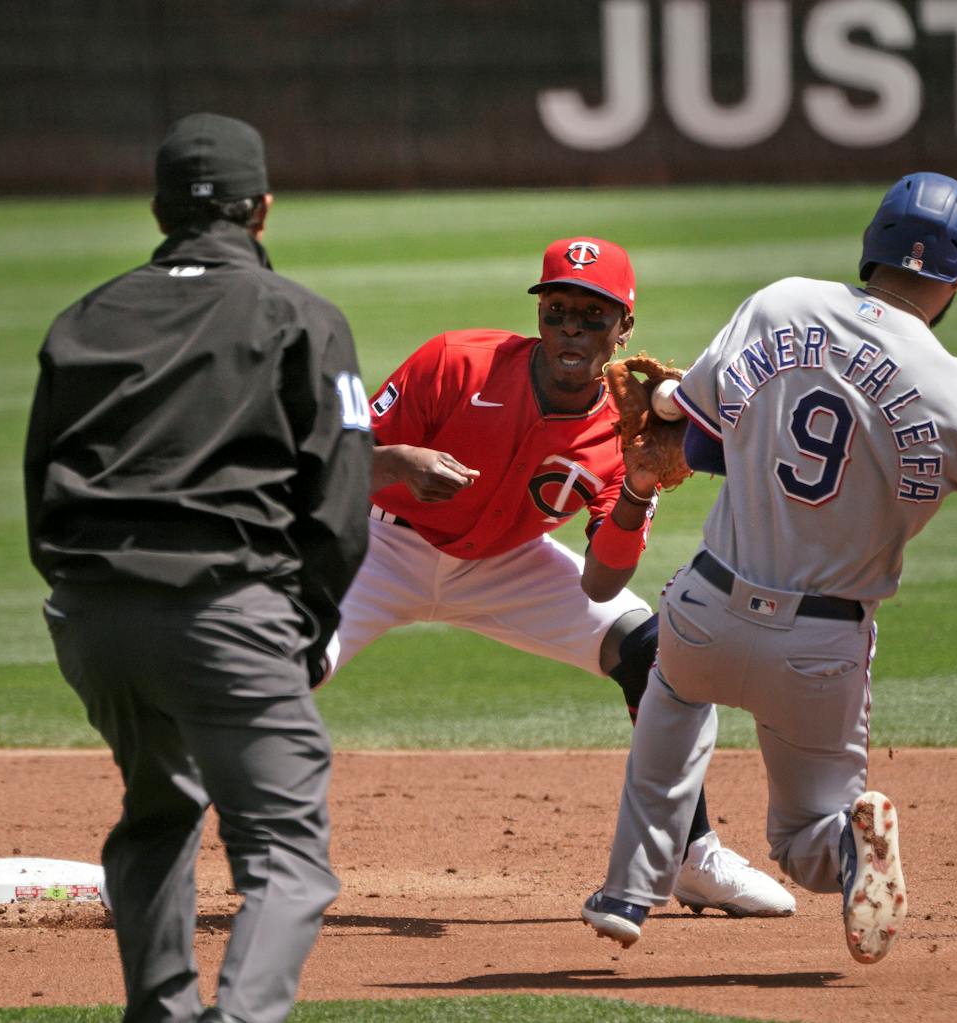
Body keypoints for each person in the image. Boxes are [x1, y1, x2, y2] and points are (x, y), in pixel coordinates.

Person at [580, 172, 957, 963]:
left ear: (871, 247)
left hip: (708, 609)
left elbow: (695, 432)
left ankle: (626, 890)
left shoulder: (779, 303)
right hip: (821, 651)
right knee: (798, 838)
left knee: (673, 702)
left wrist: (667, 418)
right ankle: (850, 849)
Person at [327, 235, 794, 918]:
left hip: (507, 565)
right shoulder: (458, 362)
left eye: (592, 315)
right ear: (541, 314)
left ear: (624, 325)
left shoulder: (623, 431)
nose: (571, 328)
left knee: (655, 650)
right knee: (280, 665)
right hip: (381, 546)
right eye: (558, 310)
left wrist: (635, 488)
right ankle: (169, 842)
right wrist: (397, 462)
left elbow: (601, 583)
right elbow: (332, 463)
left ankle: (692, 857)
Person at [24, 113, 372, 1023]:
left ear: (157, 208)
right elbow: (342, 497)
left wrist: (82, 597)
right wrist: (306, 622)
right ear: (263, 210)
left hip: (93, 616)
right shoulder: (301, 315)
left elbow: (40, 483)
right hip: (225, 605)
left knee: (157, 812)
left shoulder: (83, 317)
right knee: (286, 848)